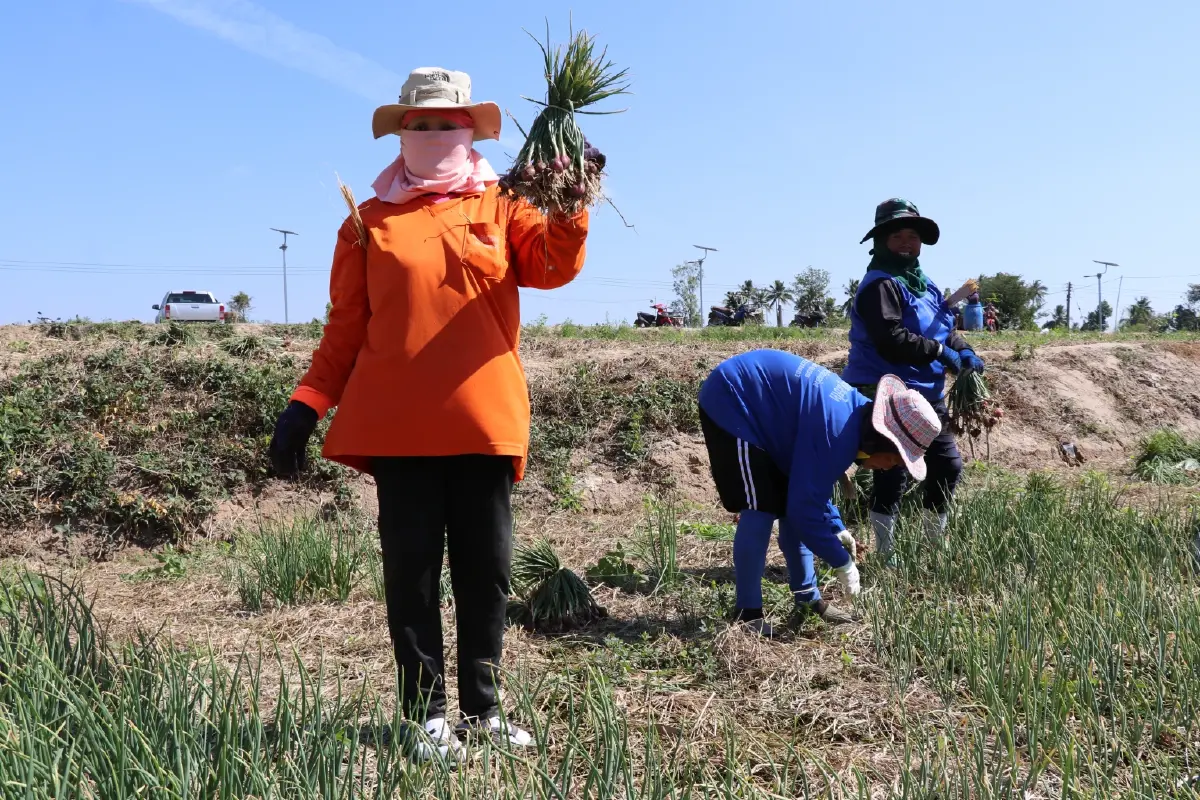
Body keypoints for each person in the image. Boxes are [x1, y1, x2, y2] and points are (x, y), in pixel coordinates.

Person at [266, 67, 591, 763]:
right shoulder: (368, 221)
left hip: (483, 422)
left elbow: (551, 267)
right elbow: (346, 330)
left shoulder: (504, 204)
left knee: (487, 571)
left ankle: (483, 710)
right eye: (421, 124)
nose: (434, 134)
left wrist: (570, 206)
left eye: (447, 123)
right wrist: (306, 405)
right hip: (399, 431)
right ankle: (424, 717)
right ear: (401, 131)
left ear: (470, 129)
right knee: (411, 575)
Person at [698, 349, 942, 636]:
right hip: (736, 398)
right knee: (760, 507)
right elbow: (805, 512)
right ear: (883, 441)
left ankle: (808, 600)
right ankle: (747, 614)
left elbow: (809, 492)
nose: (890, 468)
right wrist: (843, 562)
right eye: (897, 459)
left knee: (790, 507)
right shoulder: (838, 432)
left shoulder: (853, 419)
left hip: (770, 414)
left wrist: (836, 527)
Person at [842, 198, 986, 557]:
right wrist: (941, 353)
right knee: (892, 471)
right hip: (888, 391)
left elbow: (942, 327)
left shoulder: (924, 284)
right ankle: (886, 553)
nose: (907, 242)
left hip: (926, 393)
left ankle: (933, 543)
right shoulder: (880, 284)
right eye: (898, 236)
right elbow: (890, 339)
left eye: (913, 236)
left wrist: (963, 349)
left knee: (947, 466)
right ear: (881, 241)